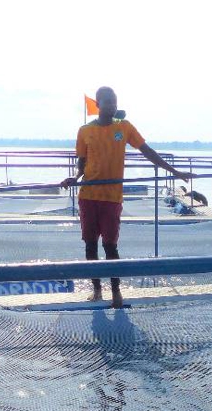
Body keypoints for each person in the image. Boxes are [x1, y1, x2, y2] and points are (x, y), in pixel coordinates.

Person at [61, 87, 191, 308]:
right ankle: (96, 289)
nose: (111, 106)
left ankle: (116, 291)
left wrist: (175, 172)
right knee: (90, 245)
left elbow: (148, 151)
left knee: (111, 246)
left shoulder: (124, 127)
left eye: (114, 102)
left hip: (112, 197)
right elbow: (81, 164)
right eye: (107, 102)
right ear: (98, 104)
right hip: (89, 195)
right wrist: (74, 177)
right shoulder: (84, 130)